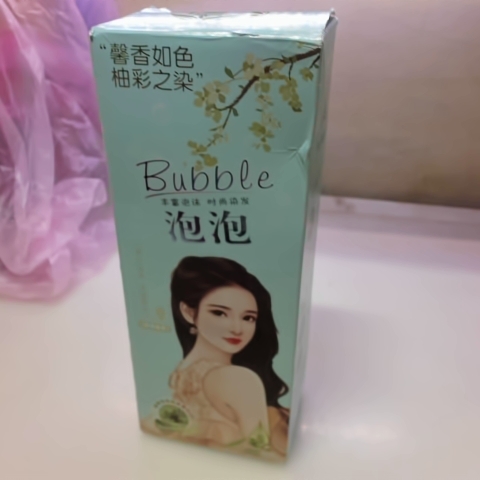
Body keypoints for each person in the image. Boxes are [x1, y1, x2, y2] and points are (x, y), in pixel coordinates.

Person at [141, 256, 289, 458]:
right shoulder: (238, 379)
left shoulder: (181, 374)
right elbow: (260, 454)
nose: (237, 328)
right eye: (220, 313)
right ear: (188, 312)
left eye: (248, 317)